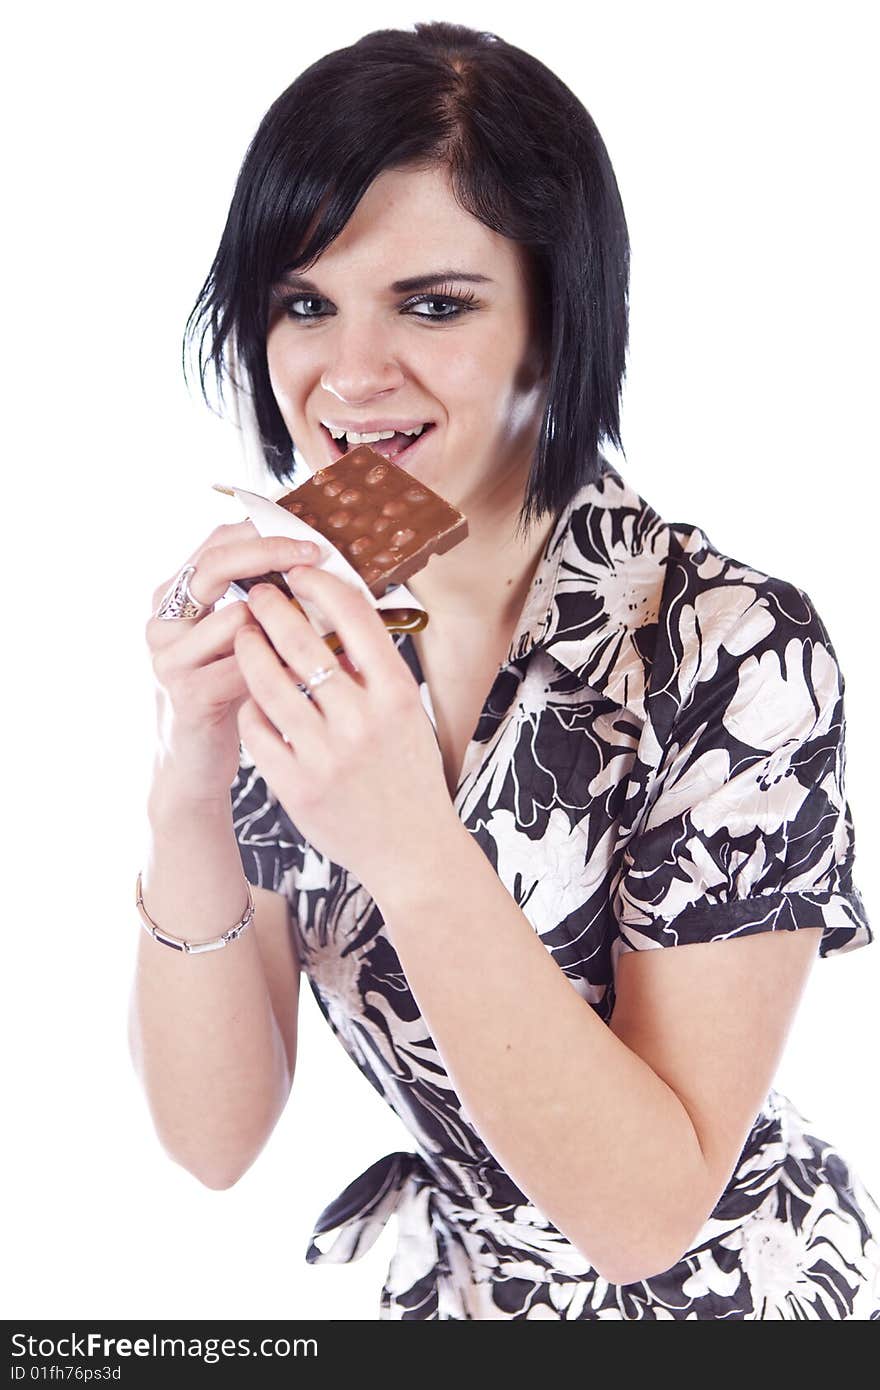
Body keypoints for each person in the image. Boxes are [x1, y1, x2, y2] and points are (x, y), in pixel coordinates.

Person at [130, 21, 880, 1319]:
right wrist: (188, 774)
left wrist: (412, 844)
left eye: (433, 303)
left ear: (552, 318)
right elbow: (214, 1140)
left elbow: (645, 1213)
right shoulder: (305, 615)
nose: (349, 378)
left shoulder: (733, 647)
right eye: (304, 302)